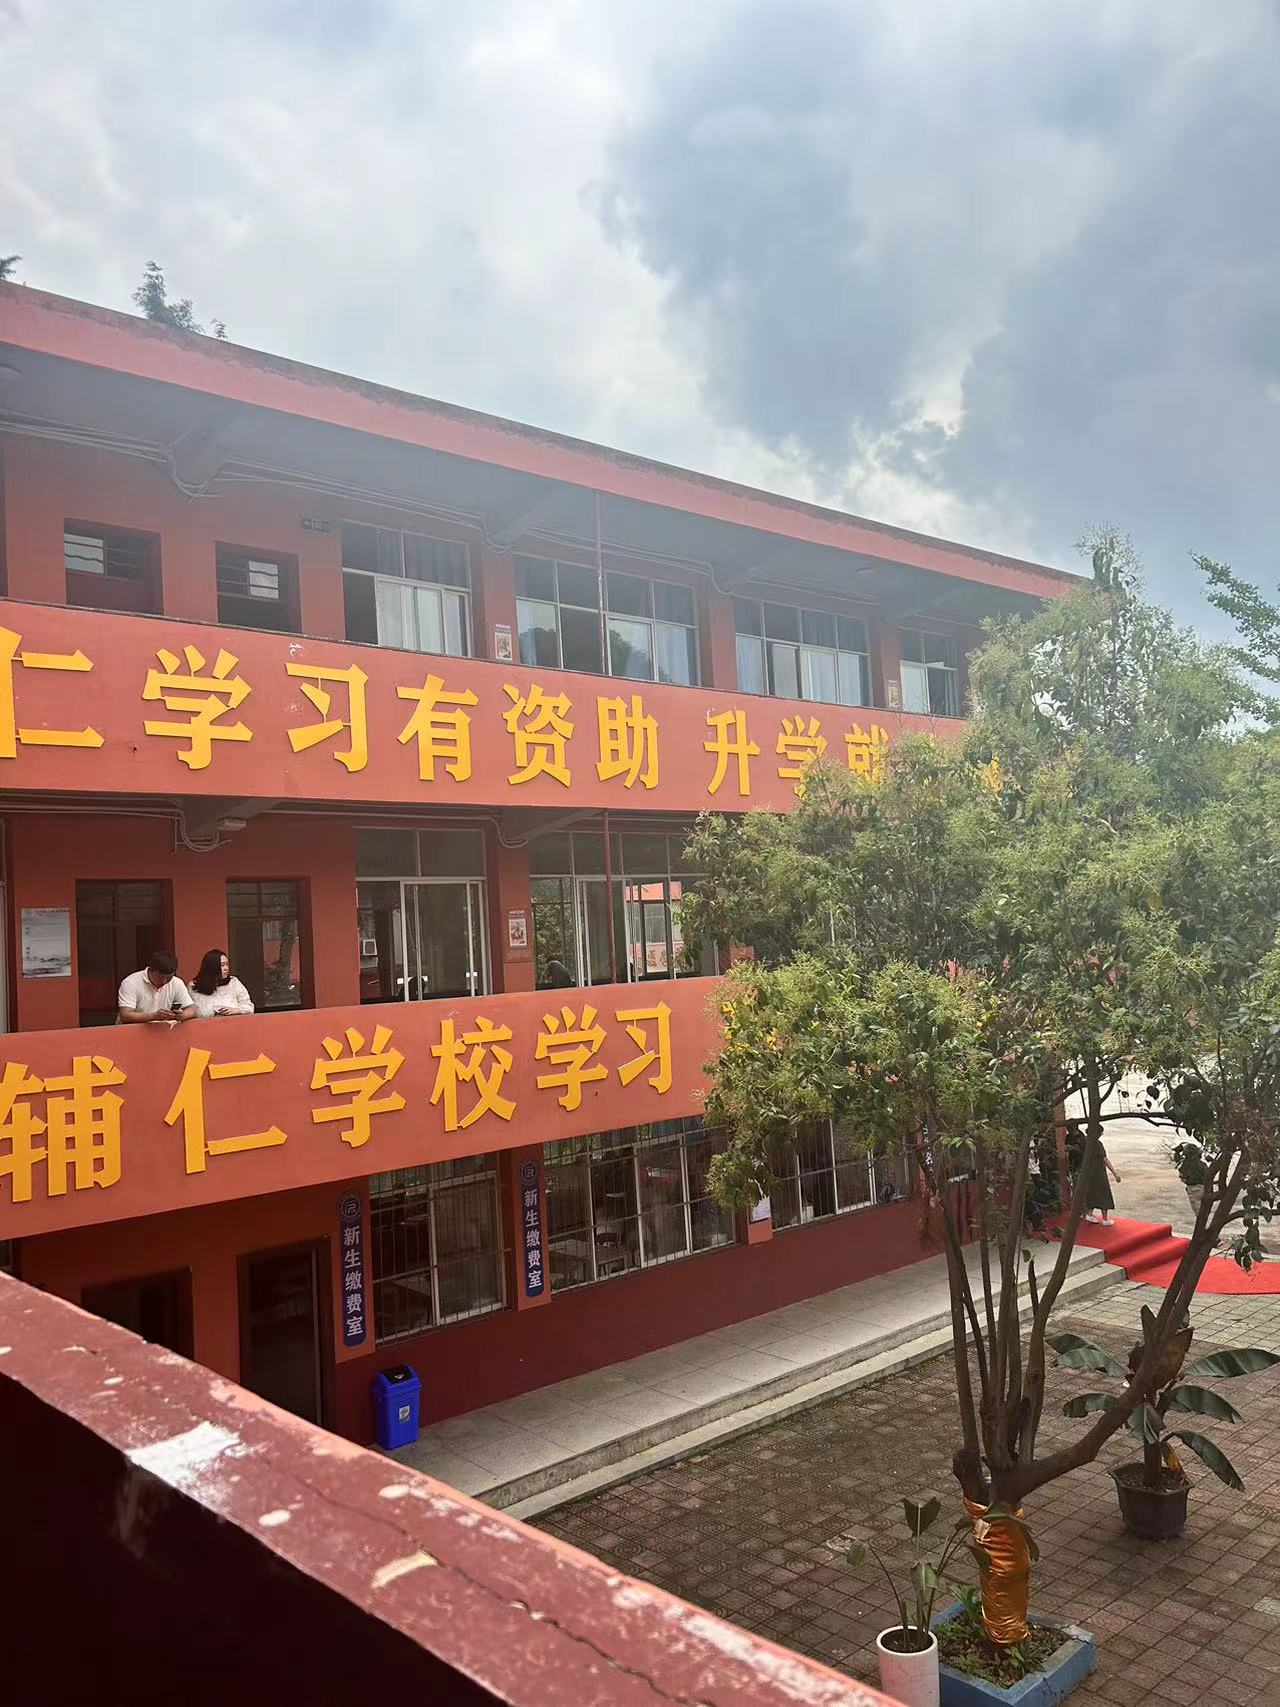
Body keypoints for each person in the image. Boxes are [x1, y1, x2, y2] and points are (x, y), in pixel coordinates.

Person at [117, 950, 195, 1025]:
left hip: (163, 1030)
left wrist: (182, 1015)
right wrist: (153, 1016)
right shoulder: (131, 982)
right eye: (160, 977)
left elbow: (192, 1009)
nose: (164, 981)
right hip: (132, 1029)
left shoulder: (177, 982)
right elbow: (126, 1016)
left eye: (169, 978)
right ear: (150, 970)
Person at [188, 948, 255, 1018]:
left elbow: (249, 1007)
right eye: (222, 965)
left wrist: (236, 1010)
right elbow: (187, 1010)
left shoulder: (234, 982)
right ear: (211, 967)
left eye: (227, 964)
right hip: (204, 1024)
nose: (226, 968)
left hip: (232, 1023)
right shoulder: (193, 986)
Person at [1082, 1136, 1122, 1225]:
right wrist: (1115, 1173)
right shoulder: (1097, 1144)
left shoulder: (1084, 1143)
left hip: (1087, 1173)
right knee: (1104, 1193)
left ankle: (1089, 1214)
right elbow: (1105, 1159)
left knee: (1091, 1192)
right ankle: (1105, 1219)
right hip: (1098, 1172)